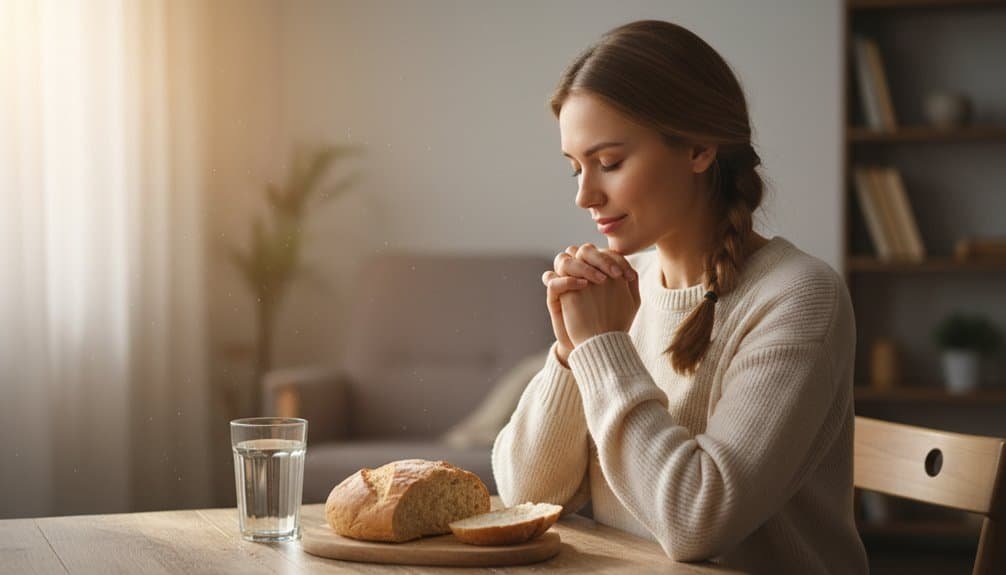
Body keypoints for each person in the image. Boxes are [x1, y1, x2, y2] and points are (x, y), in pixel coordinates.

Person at [491, 20, 868, 574]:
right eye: (575, 168)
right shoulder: (623, 287)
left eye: (610, 163)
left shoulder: (798, 296)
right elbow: (528, 495)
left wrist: (602, 346)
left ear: (698, 148)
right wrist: (572, 354)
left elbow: (698, 521)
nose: (584, 195)